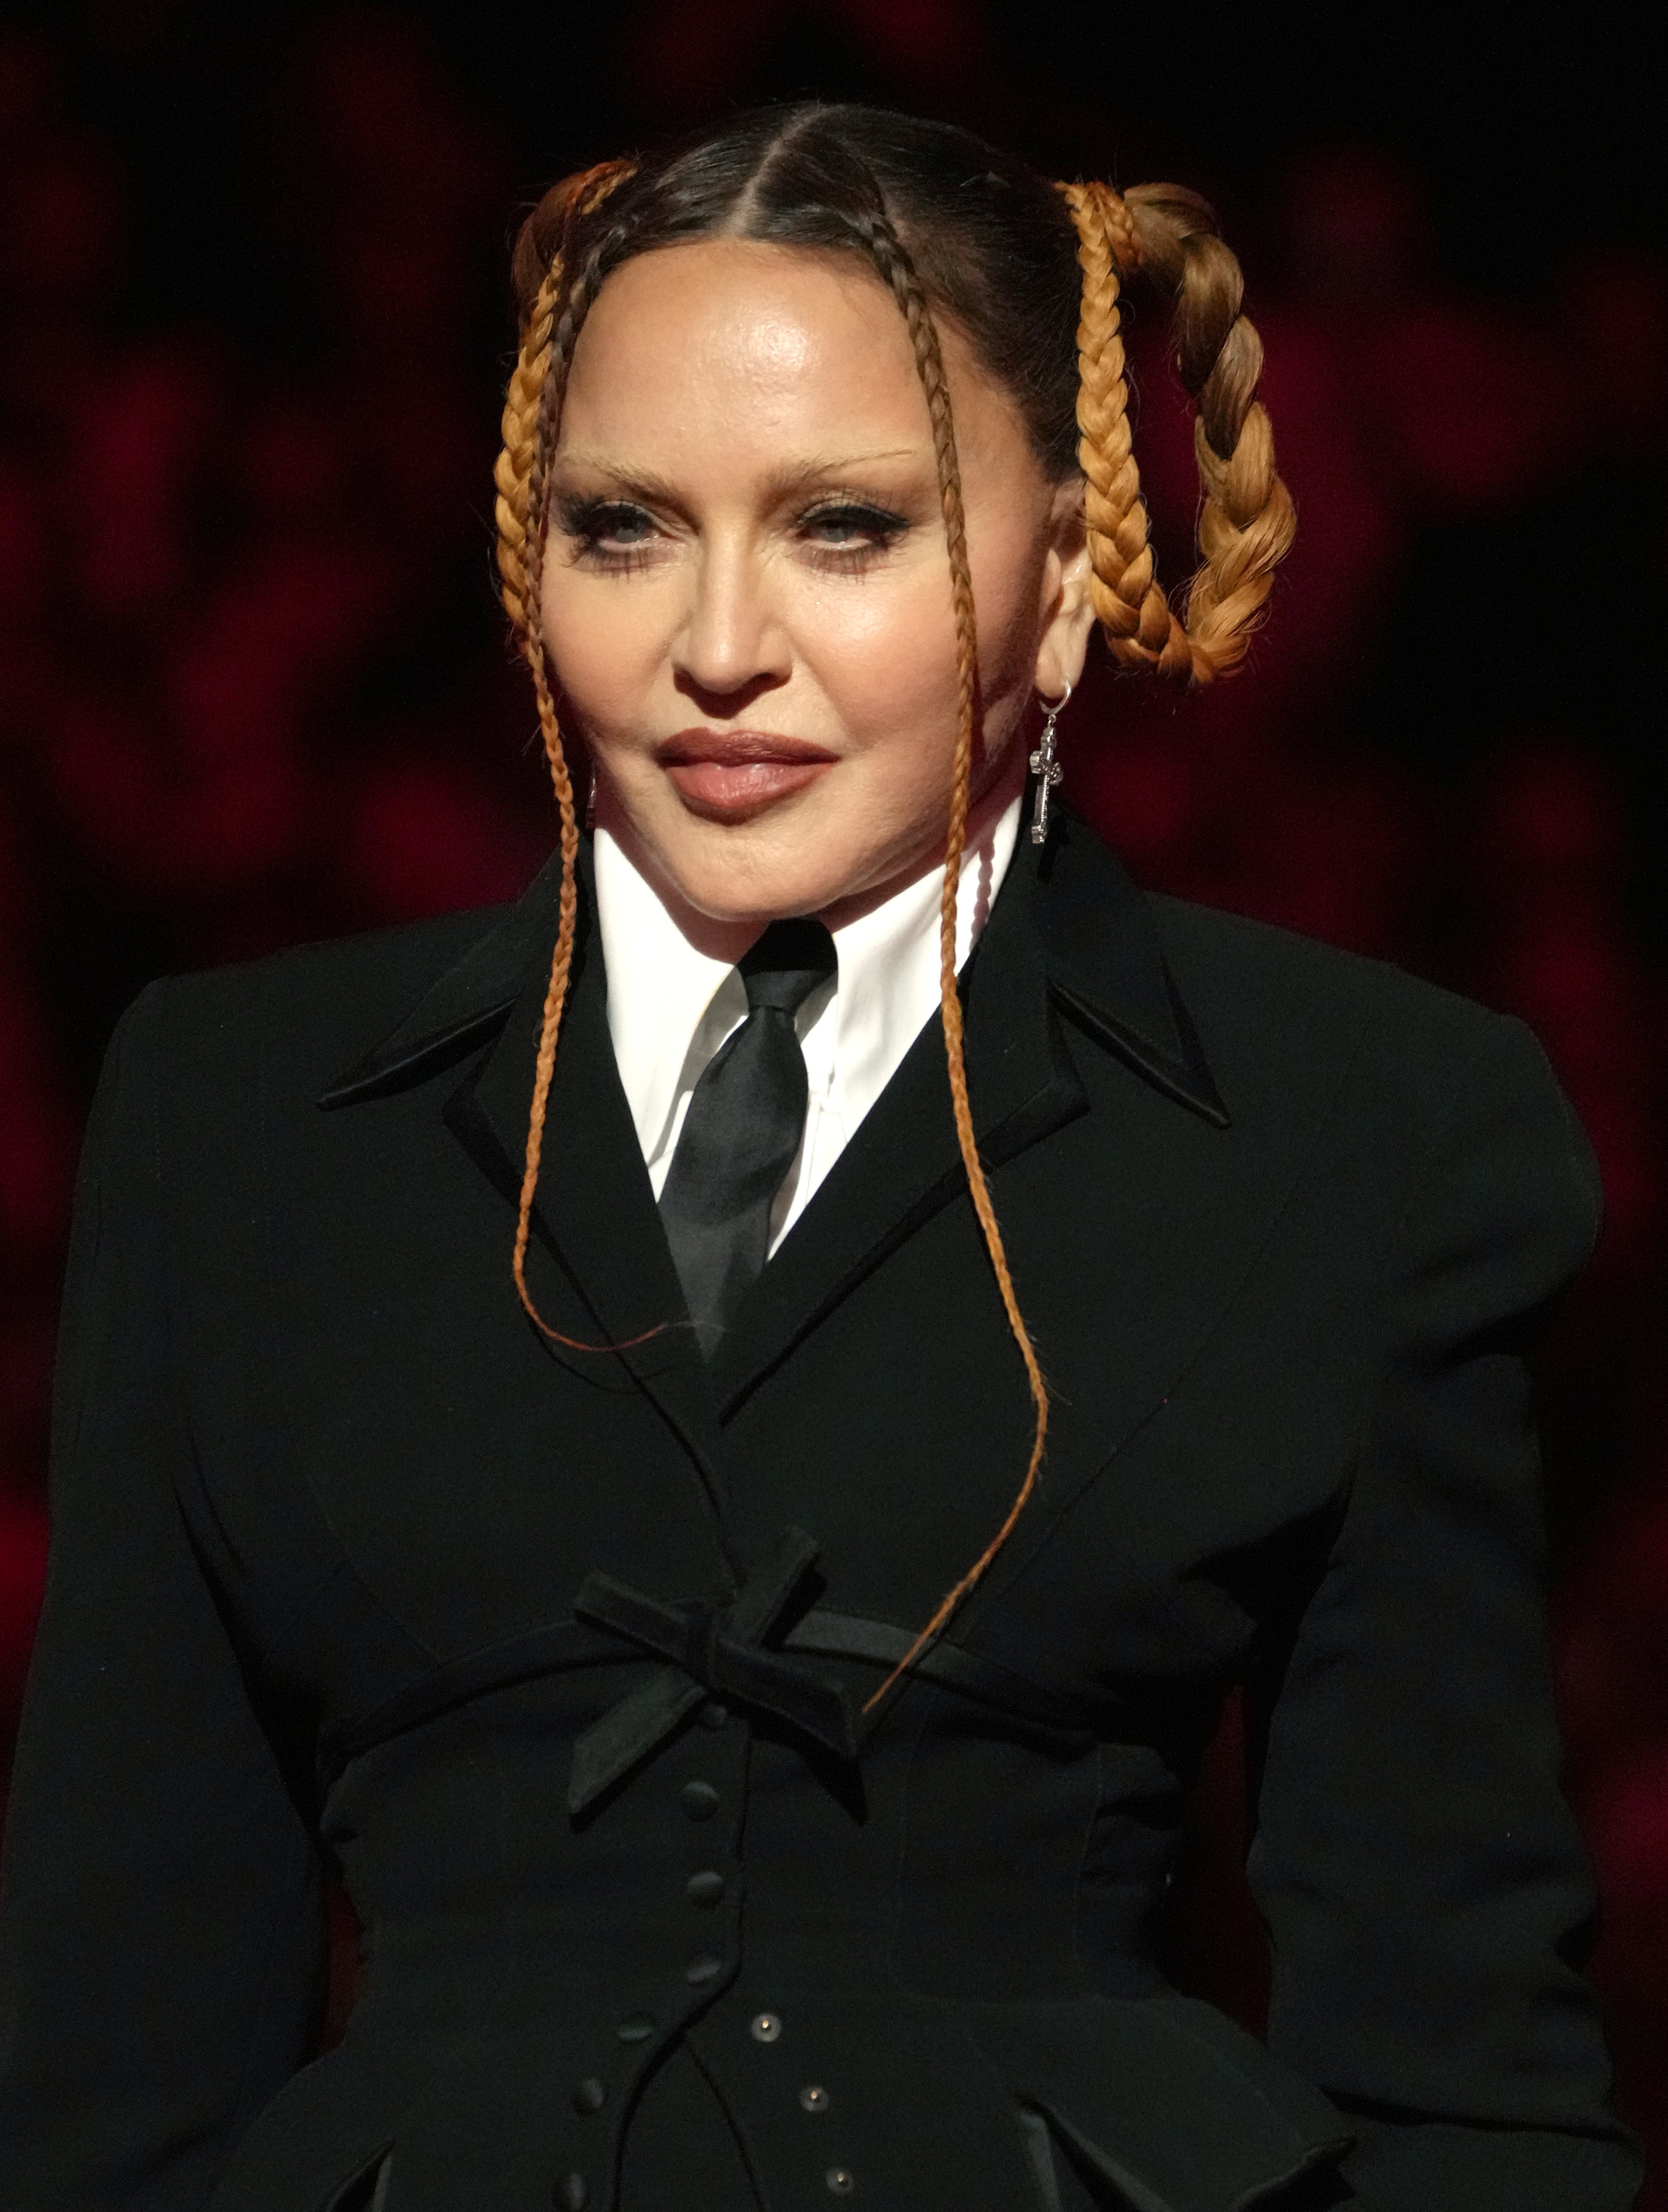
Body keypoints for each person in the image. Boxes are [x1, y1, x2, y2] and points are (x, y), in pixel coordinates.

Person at [0, 101, 1642, 2212]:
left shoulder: (1363, 1125)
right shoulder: (243, 1116)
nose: (715, 645)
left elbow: (1463, 2073)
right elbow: (112, 2060)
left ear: (1069, 577)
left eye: (844, 526)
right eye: (625, 527)